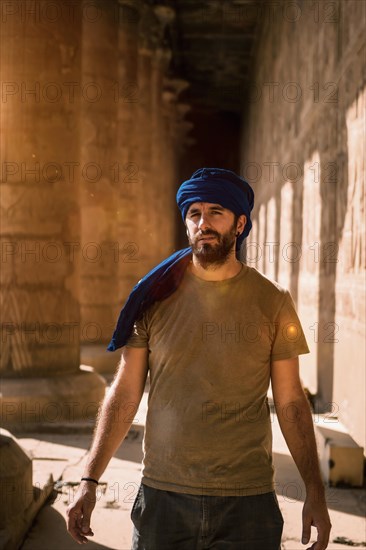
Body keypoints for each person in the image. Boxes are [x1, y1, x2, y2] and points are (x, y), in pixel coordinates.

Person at [67, 168, 331, 549]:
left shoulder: (273, 302)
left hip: (248, 502)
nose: (202, 223)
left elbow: (291, 401)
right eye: (194, 213)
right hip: (163, 498)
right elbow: (125, 391)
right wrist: (90, 480)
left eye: (215, 212)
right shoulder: (154, 297)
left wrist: (315, 491)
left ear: (240, 223)